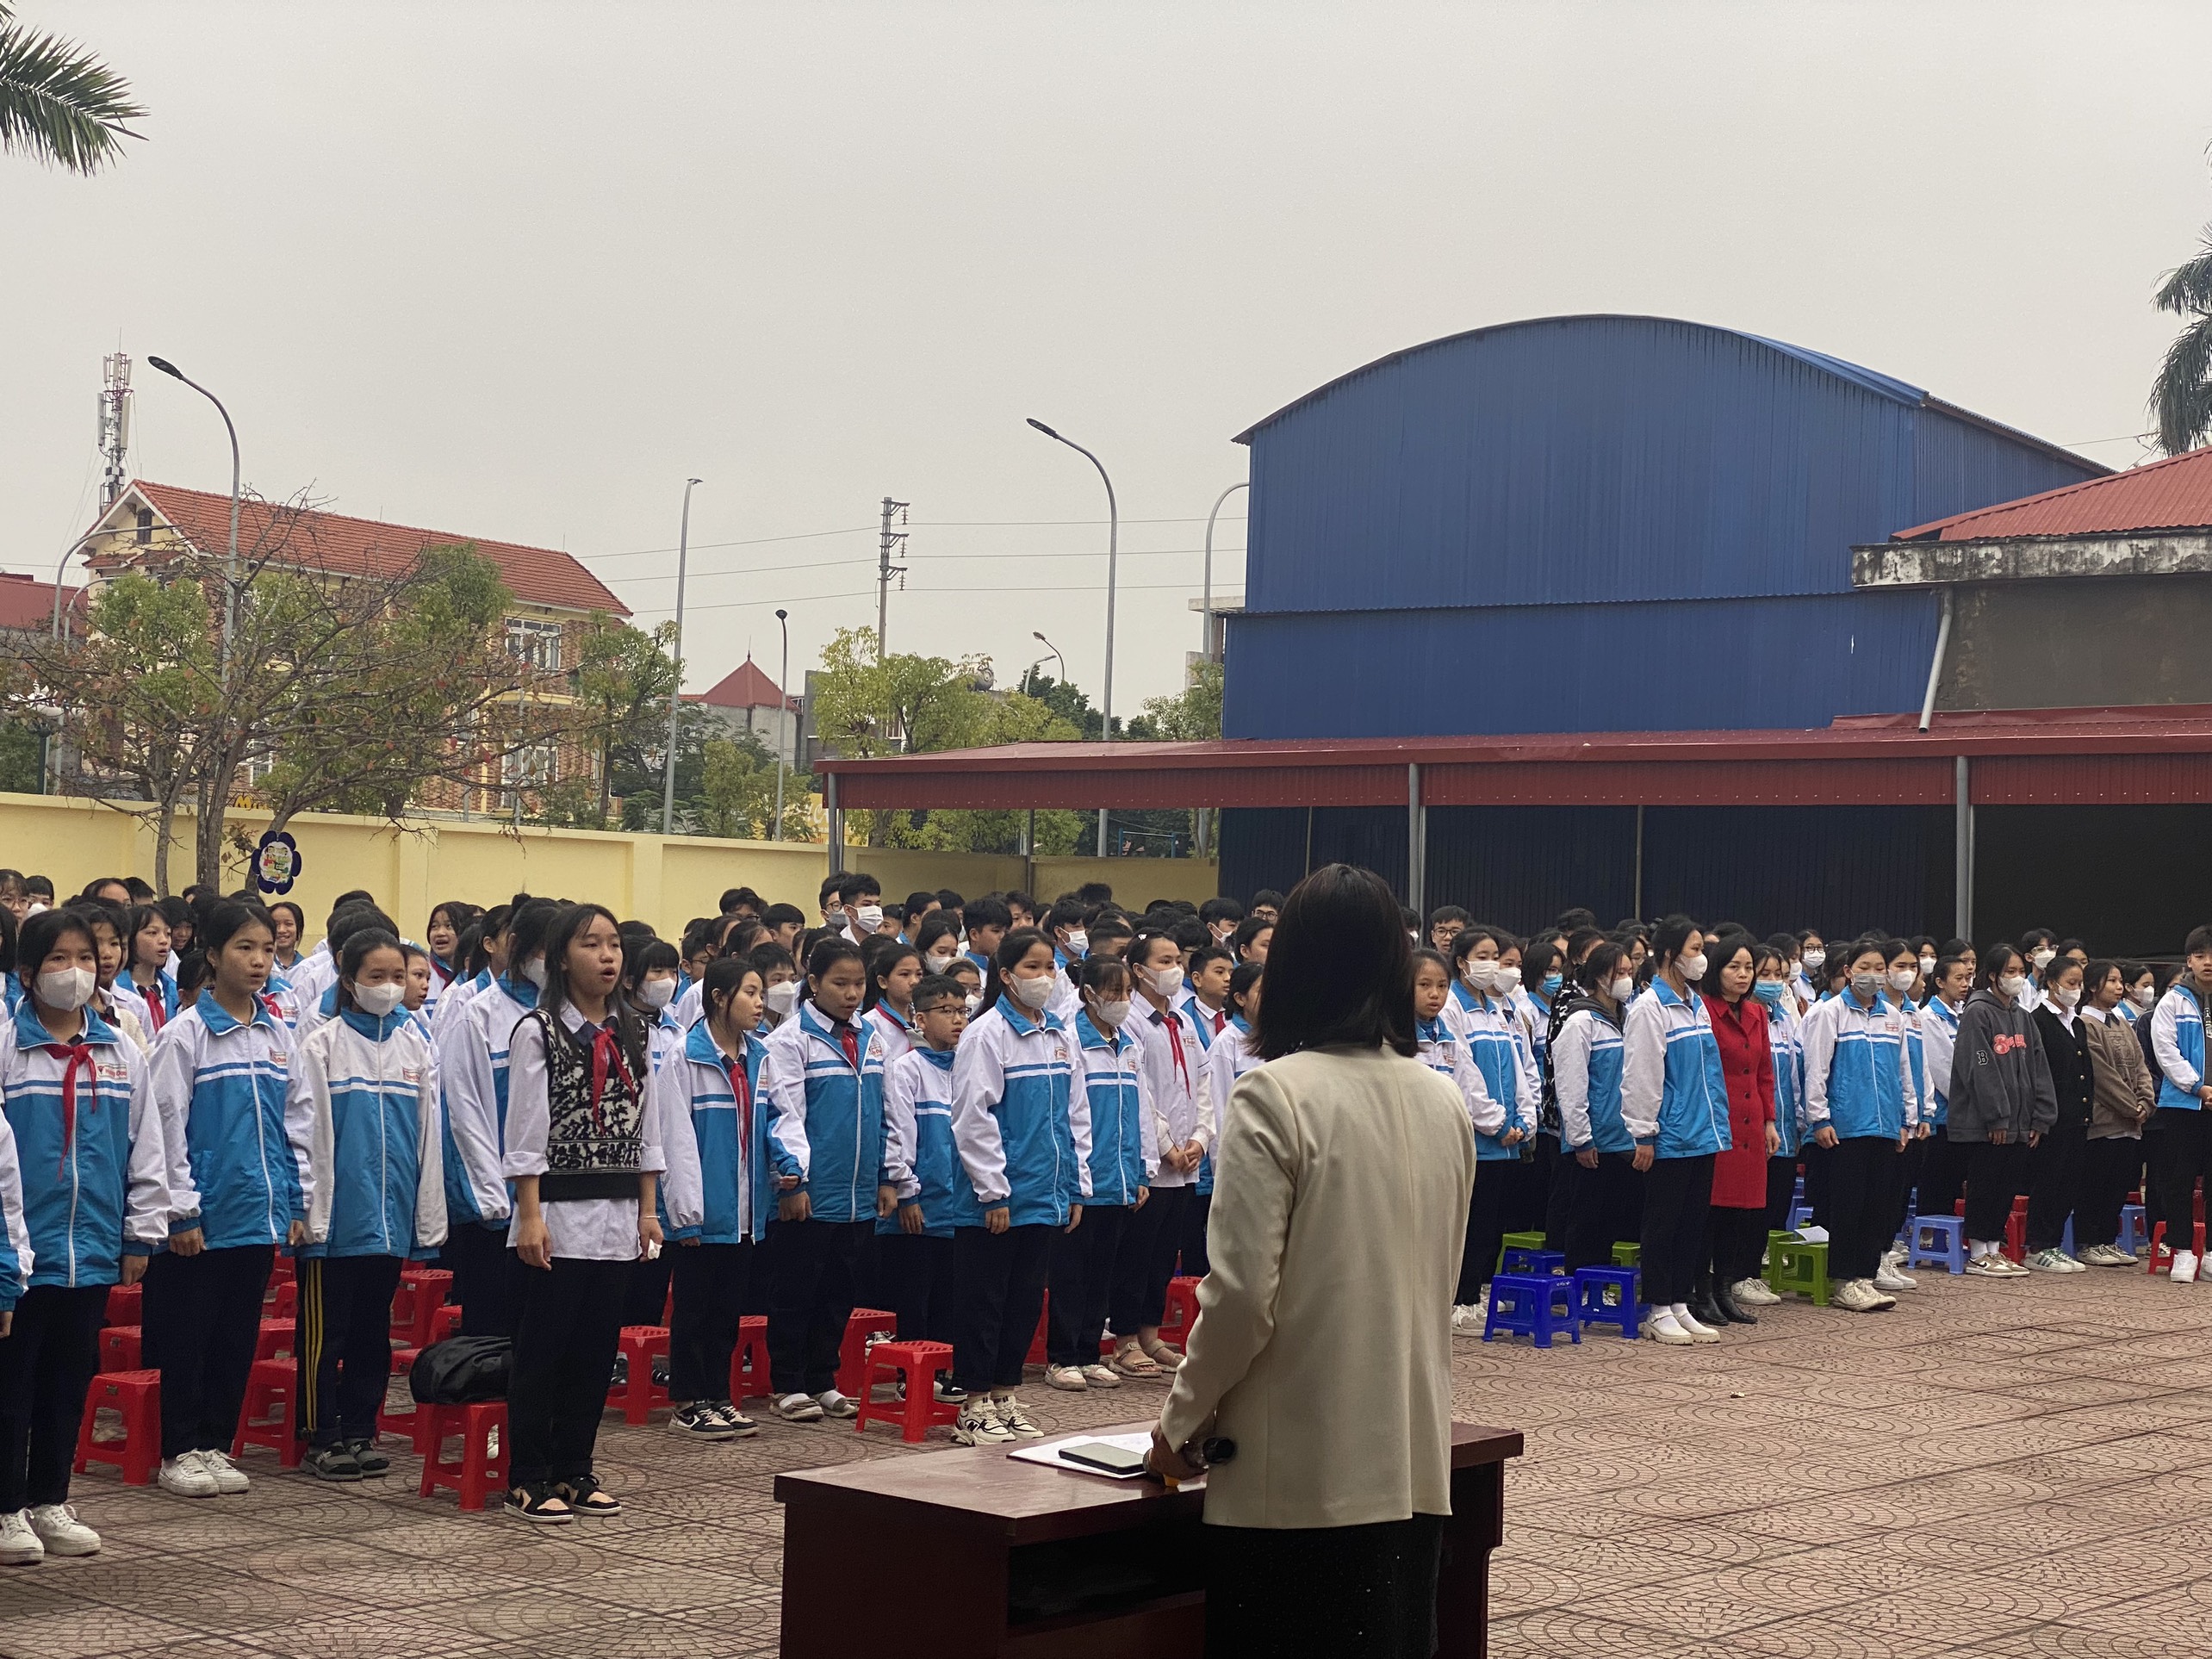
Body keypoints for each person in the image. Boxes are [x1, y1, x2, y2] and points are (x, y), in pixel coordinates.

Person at [1150, 865, 1476, 1659]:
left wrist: (1180, 1420)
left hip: (1295, 1468)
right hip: (1409, 1454)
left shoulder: (1275, 1095)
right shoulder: (1442, 1098)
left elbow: (1240, 1301)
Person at [0, 908, 165, 1563]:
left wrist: (141, 1231)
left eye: (86, 958)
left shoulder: (120, 1051)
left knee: (67, 1382)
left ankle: (50, 1499)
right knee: (12, 1386)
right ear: (26, 973)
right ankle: (6, 1507)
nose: (75, 972)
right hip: (24, 1254)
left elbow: (146, 1145)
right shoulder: (8, 1049)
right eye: (58, 959)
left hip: (93, 1247)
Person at [501, 903, 666, 1522]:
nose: (607, 956)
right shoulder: (538, 1030)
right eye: (591, 944)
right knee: (543, 1351)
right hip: (557, 1215)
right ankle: (528, 1477)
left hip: (618, 1215)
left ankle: (576, 1468)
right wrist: (530, 1216)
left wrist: (649, 1211)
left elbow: (649, 1129)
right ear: (561, 959)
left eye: (614, 944)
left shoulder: (637, 1032)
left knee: (595, 1354)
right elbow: (525, 1132)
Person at [144, 900, 302, 1498]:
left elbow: (297, 1125)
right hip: (202, 1219)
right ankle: (178, 1450)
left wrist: (295, 1200)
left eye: (267, 949)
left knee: (237, 1335)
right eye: (244, 947)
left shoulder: (278, 1034)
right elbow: (165, 1128)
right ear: (211, 955)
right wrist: (181, 1208)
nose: (259, 960)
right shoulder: (184, 1036)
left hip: (256, 1215)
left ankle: (215, 1442)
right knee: (188, 1336)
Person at [290, 927, 444, 1482]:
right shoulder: (321, 1046)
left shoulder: (415, 1047)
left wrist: (426, 1218)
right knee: (323, 1335)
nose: (389, 986)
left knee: (371, 1333)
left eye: (398, 976)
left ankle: (360, 1428)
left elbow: (428, 1137)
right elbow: (307, 1136)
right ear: (349, 980)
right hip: (334, 1225)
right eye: (377, 976)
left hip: (389, 1222)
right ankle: (319, 1435)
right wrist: (309, 1213)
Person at [948, 929, 1084, 1445]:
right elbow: (972, 1118)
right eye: (1031, 967)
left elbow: (1074, 1116)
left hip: (1045, 1195)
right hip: (997, 1200)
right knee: (984, 1302)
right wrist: (993, 1191)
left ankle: (1005, 1395)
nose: (1044, 977)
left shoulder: (1059, 1035)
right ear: (1005, 975)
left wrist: (1074, 1187)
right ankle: (973, 1404)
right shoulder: (985, 1034)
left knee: (1024, 1301)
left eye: (1050, 967)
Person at [761, 938, 891, 1424]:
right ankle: (787, 1383)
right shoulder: (790, 1041)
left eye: (858, 984)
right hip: (812, 1192)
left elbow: (885, 1113)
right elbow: (784, 1116)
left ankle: (822, 1379)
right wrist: (793, 1182)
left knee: (839, 1293)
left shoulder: (870, 1036)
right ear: (813, 983)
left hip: (860, 1192)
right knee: (796, 1291)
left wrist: (888, 1177)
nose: (852, 994)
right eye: (840, 983)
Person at [657, 956, 774, 1441]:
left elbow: (775, 1121)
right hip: (702, 1212)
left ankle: (719, 1396)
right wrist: (686, 1214)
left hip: (744, 1211)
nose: (760, 1002)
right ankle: (688, 1402)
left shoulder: (760, 1056)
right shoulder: (685, 1057)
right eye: (750, 992)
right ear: (719, 998)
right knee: (694, 1311)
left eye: (761, 992)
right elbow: (675, 1139)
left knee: (727, 1313)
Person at [438, 898, 558, 1339]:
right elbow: (463, 1111)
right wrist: (493, 1197)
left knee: (544, 1329)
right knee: (492, 1331)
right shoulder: (479, 1014)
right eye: (543, 949)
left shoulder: (573, 1015)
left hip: (557, 1202)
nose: (551, 960)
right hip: (497, 1205)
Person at [1622, 916, 1729, 1345]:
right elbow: (1641, 1075)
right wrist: (1644, 1133)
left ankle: (1681, 1302)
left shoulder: (1696, 1003)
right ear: (1670, 954)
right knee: (1662, 1225)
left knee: (1692, 1224)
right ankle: (1658, 1306)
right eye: (1694, 950)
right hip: (1670, 1135)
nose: (1702, 959)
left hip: (1703, 1133)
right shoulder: (1650, 1007)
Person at [1045, 955, 1146, 1395]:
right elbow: (1069, 1117)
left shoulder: (1130, 1046)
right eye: (1113, 991)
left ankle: (1089, 1353)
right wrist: (1075, 1179)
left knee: (1103, 1274)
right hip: (1083, 1181)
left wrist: (1141, 1171)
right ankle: (1062, 1357)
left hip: (1119, 1180)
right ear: (1088, 993)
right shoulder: (1071, 1043)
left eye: (1128, 992)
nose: (1122, 1000)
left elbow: (1140, 1112)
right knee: (1071, 1274)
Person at [1112, 929, 1212, 1377]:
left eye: (1177, 960)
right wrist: (1166, 1145)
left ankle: (1150, 1334)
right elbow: (1140, 1091)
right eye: (1164, 961)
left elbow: (1203, 1083)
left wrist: (1201, 1138)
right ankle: (1125, 1339)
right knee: (1136, 1253)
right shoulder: (1132, 1021)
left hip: (1186, 1161)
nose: (1174, 969)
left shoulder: (1184, 1021)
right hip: (1153, 1162)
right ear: (1139, 969)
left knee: (1162, 1254)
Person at [1798, 939, 1915, 1314]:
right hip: (1845, 1127)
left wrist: (1906, 1120)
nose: (1873, 975)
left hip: (1885, 1126)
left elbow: (1903, 1072)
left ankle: (1865, 1276)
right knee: (1846, 1206)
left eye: (1880, 968)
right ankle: (1843, 1279)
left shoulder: (1892, 1016)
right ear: (1848, 971)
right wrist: (1819, 1117)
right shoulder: (1829, 1013)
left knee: (1876, 1206)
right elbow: (1816, 1070)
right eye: (1864, 967)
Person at [875, 973, 969, 1387]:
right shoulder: (905, 1070)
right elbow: (898, 1135)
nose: (957, 1019)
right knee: (915, 1298)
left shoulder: (969, 1067)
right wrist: (907, 1191)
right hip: (920, 1205)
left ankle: (944, 1372)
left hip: (960, 1206)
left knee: (951, 1297)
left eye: (962, 1010)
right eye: (946, 1011)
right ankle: (910, 1378)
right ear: (920, 1018)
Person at [1445, 926, 1539, 1331]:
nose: (1491, 965)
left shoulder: (1499, 1009)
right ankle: (1459, 1298)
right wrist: (1496, 1123)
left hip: (1507, 1140)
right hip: (1477, 1137)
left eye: (1494, 957)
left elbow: (1520, 1066)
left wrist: (1523, 1120)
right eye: (1481, 957)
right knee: (1471, 1222)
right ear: (1461, 961)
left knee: (1494, 1222)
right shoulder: (1453, 1007)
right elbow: (1464, 1075)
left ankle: (1480, 1291)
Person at [1946, 946, 2052, 1279]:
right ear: (1992, 975)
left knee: (2006, 1186)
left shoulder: (2022, 1016)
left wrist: (2040, 1116)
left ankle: (1994, 1247)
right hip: (1987, 1125)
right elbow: (1980, 1067)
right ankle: (1978, 1251)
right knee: (1985, 1184)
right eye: (2010, 972)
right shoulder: (1978, 1013)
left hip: (2021, 1122)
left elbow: (2038, 1065)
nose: (2017, 978)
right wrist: (1996, 1115)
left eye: (2020, 972)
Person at [1698, 934, 1777, 1327]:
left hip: (1750, 1122)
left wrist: (1769, 1121)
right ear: (1716, 970)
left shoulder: (1757, 1013)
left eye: (1748, 968)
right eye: (1734, 967)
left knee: (1741, 1212)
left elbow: (1764, 1072)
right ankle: (1701, 1291)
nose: (1743, 975)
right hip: (1717, 1120)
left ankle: (1725, 1289)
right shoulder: (1703, 1009)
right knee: (1712, 1209)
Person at [1556, 943, 1641, 1273]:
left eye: (1629, 972)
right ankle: (1581, 1285)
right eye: (1619, 973)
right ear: (1599, 977)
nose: (1627, 979)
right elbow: (1571, 1086)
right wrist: (1581, 1139)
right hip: (1593, 1143)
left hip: (1624, 1139)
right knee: (1586, 1223)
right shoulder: (1580, 1022)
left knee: (1610, 1222)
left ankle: (1602, 1286)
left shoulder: (1630, 1018)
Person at [2077, 959, 2154, 1267]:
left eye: (2120, 981)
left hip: (2131, 1122)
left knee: (2119, 1185)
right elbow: (2102, 1075)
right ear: (2093, 986)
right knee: (2096, 1183)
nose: (2119, 987)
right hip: (2104, 1121)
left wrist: (2146, 1101)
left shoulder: (2121, 1022)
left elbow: (2140, 1066)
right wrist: (2130, 1107)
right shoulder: (2085, 1023)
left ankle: (2107, 1240)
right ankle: (2089, 1241)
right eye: (2112, 981)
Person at [2149, 927, 2212, 1283]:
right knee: (2179, 1180)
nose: (2208, 962)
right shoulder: (2173, 1001)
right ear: (2189, 960)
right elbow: (2165, 1051)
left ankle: (2211, 1255)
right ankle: (2183, 1252)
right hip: (2183, 1106)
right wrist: (2197, 1087)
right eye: (2201, 956)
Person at [2023, 954, 2093, 1273]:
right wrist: (2039, 1115)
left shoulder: (2076, 1023)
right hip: (2052, 1117)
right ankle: (2038, 1245)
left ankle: (2054, 1242)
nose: (2076, 990)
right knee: (2048, 1181)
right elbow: (2036, 1072)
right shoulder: (2037, 1021)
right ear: (2052, 983)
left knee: (2069, 1182)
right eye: (2070, 983)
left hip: (2078, 1116)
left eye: (2080, 984)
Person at [862, 939, 923, 1068]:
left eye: (919, 974)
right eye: (905, 974)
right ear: (883, 982)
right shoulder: (869, 1025)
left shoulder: (925, 1019)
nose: (914, 981)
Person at [124, 904, 177, 1036]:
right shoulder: (115, 993)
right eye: (153, 933)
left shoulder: (175, 991)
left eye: (168, 934)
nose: (164, 941)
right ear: (130, 938)